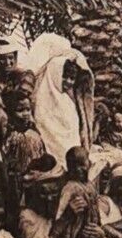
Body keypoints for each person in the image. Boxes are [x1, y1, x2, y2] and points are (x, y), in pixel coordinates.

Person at [24, 33, 95, 164]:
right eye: (65, 76)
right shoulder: (43, 99)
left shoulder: (69, 100)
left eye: (72, 78)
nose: (68, 81)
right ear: (55, 74)